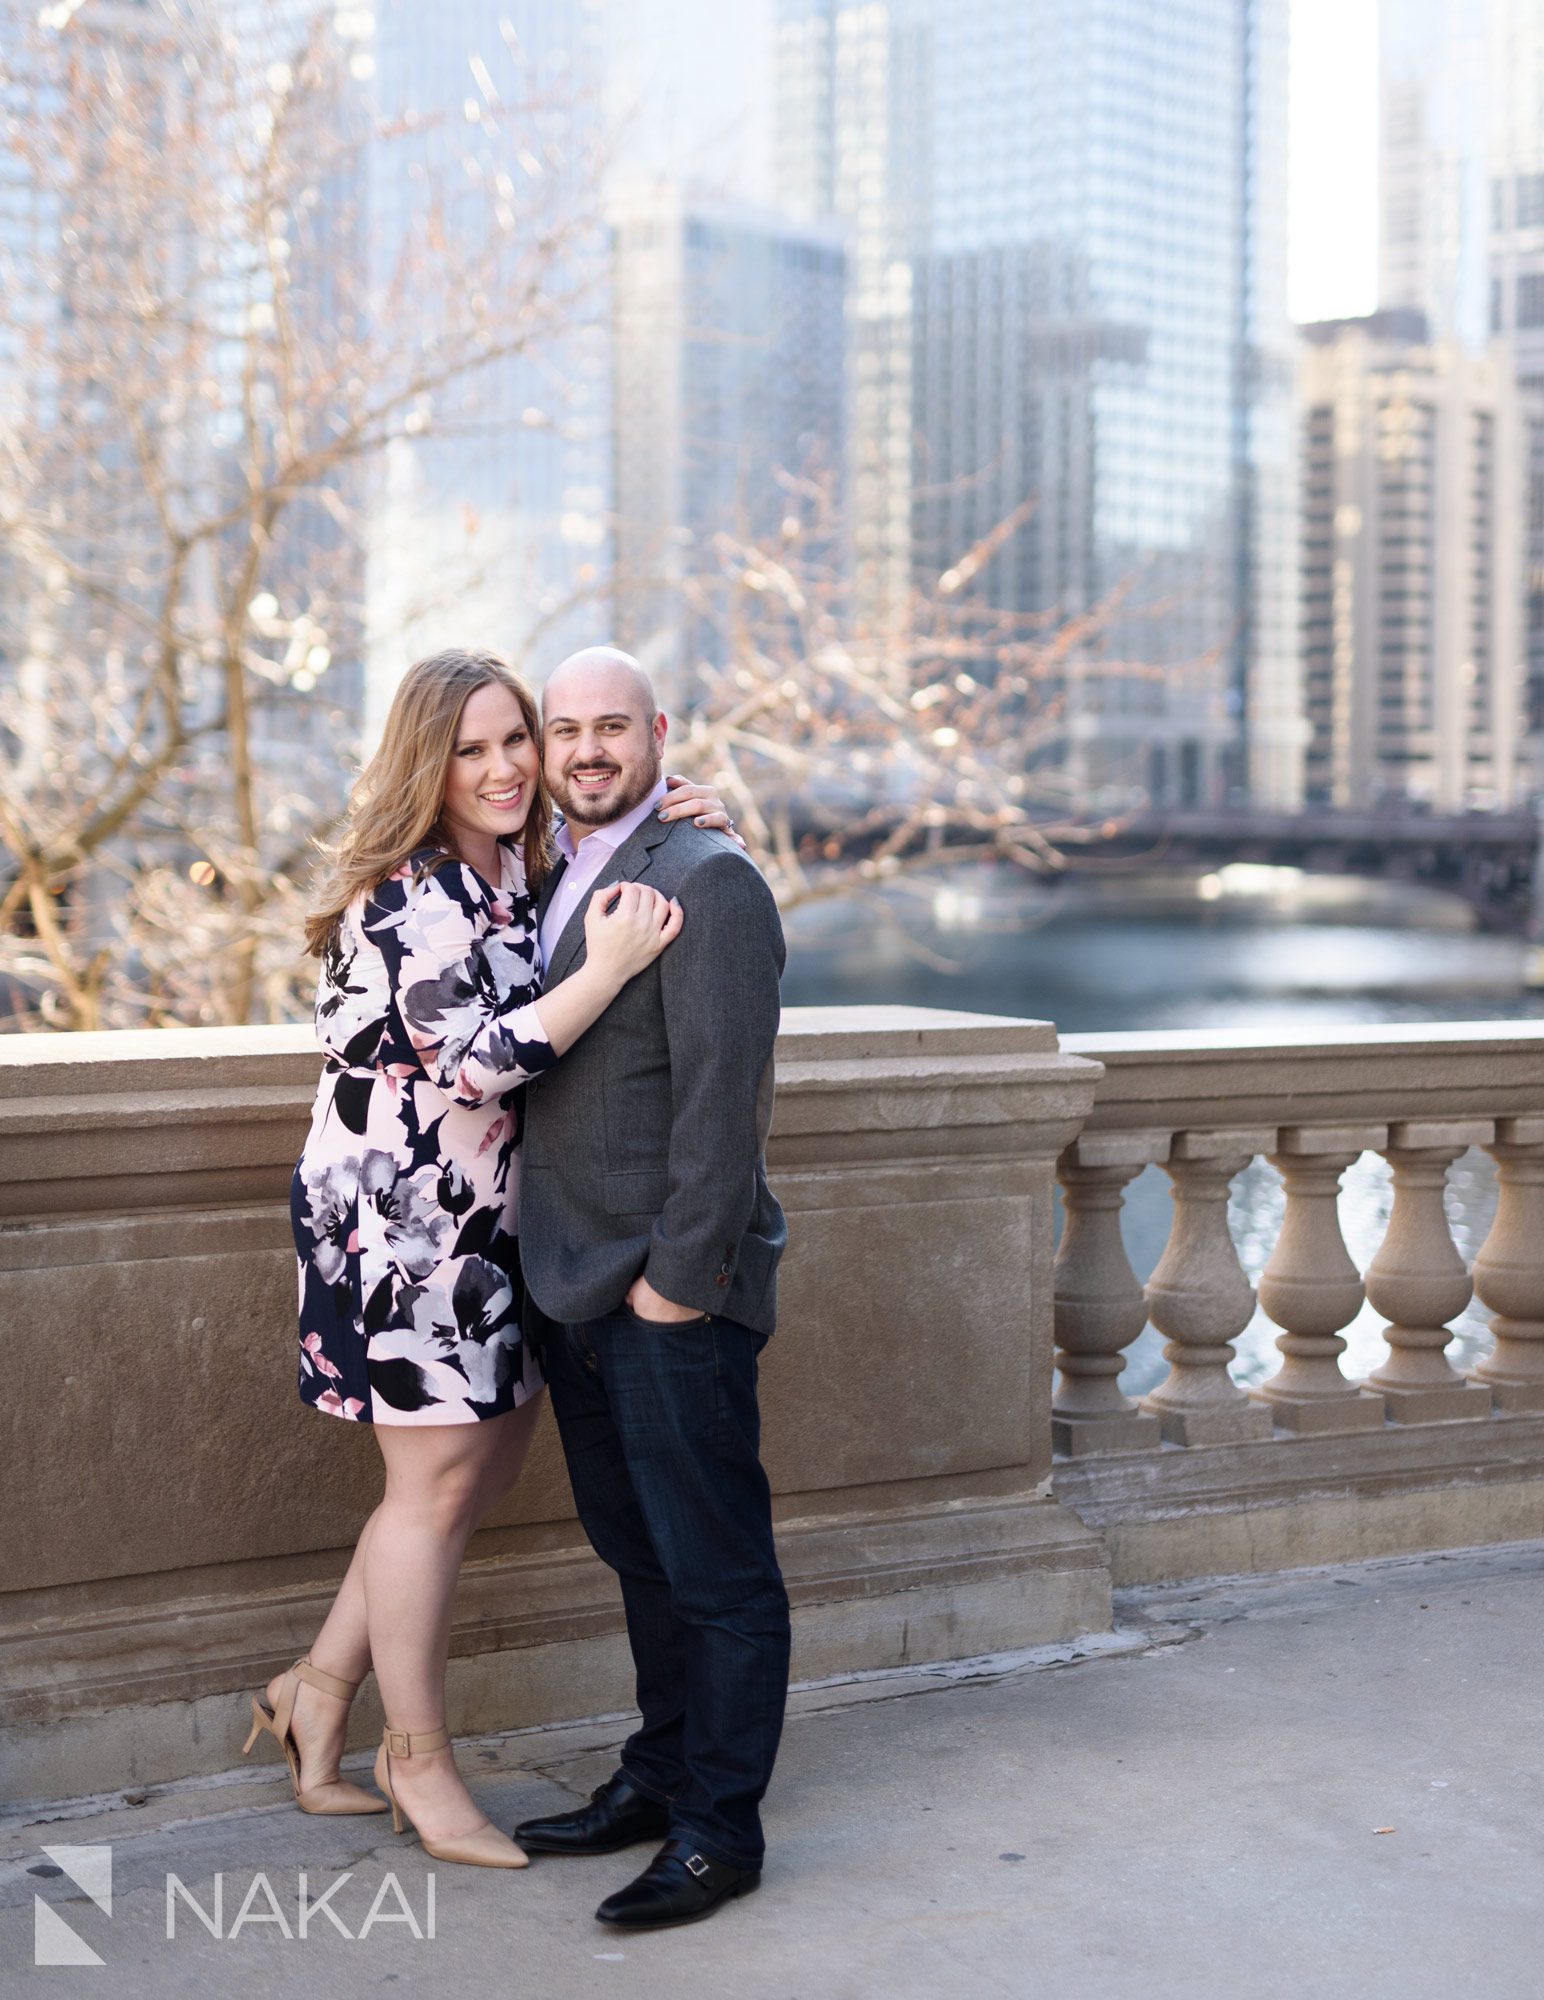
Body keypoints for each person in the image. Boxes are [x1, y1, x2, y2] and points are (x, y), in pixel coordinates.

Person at [245, 647, 735, 1870]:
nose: (510, 765)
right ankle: (419, 1760)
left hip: (489, 1224)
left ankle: (314, 1691)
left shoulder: (512, 874)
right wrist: (615, 968)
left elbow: (615, 853)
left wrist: (695, 813)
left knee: (468, 1473)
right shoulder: (413, 890)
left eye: (516, 737)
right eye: (474, 748)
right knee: (434, 1491)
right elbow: (473, 1060)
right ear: (428, 762)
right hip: (400, 1223)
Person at [513, 647, 791, 1932]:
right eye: (562, 726)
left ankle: (717, 1830)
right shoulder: (552, 868)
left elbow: (719, 1112)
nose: (582, 750)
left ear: (658, 734)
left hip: (666, 1295)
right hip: (572, 1285)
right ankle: (659, 1770)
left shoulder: (710, 876)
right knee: (639, 1556)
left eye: (609, 726)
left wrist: (678, 1290)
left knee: (716, 1571)